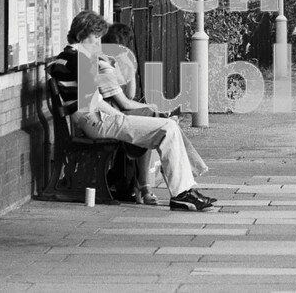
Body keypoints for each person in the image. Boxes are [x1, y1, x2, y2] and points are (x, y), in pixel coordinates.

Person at [47, 11, 215, 211]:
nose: (98, 42)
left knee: (168, 127)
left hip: (89, 119)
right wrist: (118, 116)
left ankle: (184, 190)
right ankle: (181, 193)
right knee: (168, 127)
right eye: (95, 36)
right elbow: (93, 102)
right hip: (97, 120)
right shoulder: (82, 58)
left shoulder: (65, 57)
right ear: (82, 33)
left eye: (100, 37)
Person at [100, 23, 208, 205]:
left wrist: (129, 70)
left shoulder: (111, 63)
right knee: (156, 118)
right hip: (110, 118)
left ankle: (159, 187)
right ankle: (164, 185)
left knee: (159, 119)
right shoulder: (102, 66)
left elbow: (129, 95)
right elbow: (125, 102)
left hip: (117, 114)